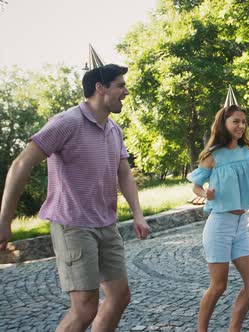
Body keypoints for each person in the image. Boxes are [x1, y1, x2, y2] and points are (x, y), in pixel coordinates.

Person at [0, 64, 150, 331]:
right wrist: (4, 219)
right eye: (120, 85)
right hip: (73, 225)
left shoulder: (114, 129)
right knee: (85, 307)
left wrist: (137, 214)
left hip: (106, 224)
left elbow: (124, 174)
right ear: (100, 88)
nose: (126, 91)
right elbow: (21, 164)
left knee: (119, 296)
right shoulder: (67, 122)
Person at [188, 102, 249, 332]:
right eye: (236, 121)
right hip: (219, 225)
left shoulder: (248, 152)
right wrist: (206, 193)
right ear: (224, 124)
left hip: (241, 226)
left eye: (243, 121)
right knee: (219, 285)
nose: (241, 125)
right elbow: (196, 187)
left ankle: (234, 329)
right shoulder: (213, 156)